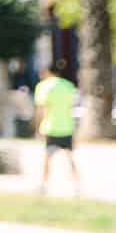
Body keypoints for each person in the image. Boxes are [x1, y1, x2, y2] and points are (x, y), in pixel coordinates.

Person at [34, 60, 81, 196]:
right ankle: (77, 185)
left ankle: (43, 185)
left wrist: (37, 128)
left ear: (48, 72)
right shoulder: (69, 86)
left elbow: (41, 109)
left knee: (47, 158)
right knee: (70, 158)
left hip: (50, 127)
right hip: (67, 127)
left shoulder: (43, 86)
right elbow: (73, 108)